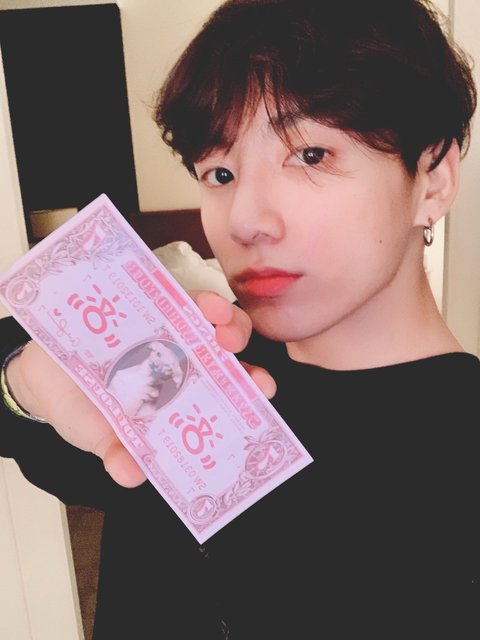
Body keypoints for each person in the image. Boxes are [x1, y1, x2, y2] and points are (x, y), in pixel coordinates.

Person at [1, 0, 479, 637]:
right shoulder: (190, 369)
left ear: (433, 179)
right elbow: (32, 426)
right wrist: (26, 383)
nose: (245, 220)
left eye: (311, 155)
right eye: (219, 172)